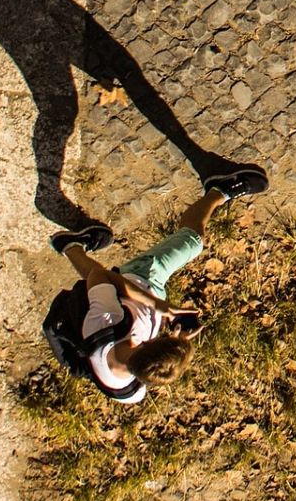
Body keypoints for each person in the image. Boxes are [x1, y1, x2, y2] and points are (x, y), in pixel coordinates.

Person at [45, 167, 267, 403]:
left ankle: (220, 188)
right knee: (99, 290)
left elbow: (99, 276)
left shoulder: (107, 324)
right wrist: (177, 344)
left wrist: (158, 305)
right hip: (133, 296)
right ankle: (70, 245)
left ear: (148, 343)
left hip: (143, 276)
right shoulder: (127, 391)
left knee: (193, 241)